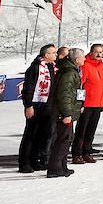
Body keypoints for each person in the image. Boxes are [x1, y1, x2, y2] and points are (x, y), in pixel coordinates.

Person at [19, 44, 57, 173]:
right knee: (30, 135)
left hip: (48, 107)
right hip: (36, 106)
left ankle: (35, 161)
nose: (55, 55)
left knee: (42, 135)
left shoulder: (51, 67)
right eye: (53, 53)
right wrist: (28, 105)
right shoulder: (35, 68)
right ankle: (24, 162)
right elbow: (28, 88)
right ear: (46, 55)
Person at [47, 48, 84, 178]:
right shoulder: (69, 73)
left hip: (67, 111)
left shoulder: (72, 71)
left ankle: (62, 165)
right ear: (77, 59)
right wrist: (67, 114)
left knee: (67, 139)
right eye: (82, 56)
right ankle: (54, 167)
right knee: (63, 140)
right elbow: (65, 95)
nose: (84, 59)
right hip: (63, 112)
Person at [72, 44, 103, 164]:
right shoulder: (85, 65)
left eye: (101, 52)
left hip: (97, 103)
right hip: (87, 104)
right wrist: (80, 103)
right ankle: (77, 153)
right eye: (96, 52)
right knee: (82, 130)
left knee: (91, 131)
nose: (99, 54)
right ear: (91, 52)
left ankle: (86, 152)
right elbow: (80, 85)